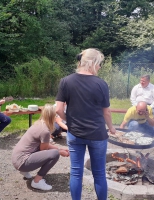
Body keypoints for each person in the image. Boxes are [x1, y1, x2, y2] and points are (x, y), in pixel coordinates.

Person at [55, 48, 116, 200]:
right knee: (99, 173)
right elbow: (106, 112)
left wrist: (69, 120)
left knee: (76, 172)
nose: (100, 67)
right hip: (97, 135)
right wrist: (112, 128)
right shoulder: (101, 84)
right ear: (93, 63)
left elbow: (58, 110)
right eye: (99, 63)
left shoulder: (66, 81)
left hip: (75, 134)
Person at [12, 104, 69, 191]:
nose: (57, 117)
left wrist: (59, 148)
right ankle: (37, 181)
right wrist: (59, 151)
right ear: (52, 116)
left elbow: (43, 146)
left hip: (16, 159)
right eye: (56, 115)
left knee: (55, 151)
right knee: (55, 154)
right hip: (22, 162)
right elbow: (44, 149)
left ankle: (24, 171)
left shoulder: (39, 123)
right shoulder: (45, 131)